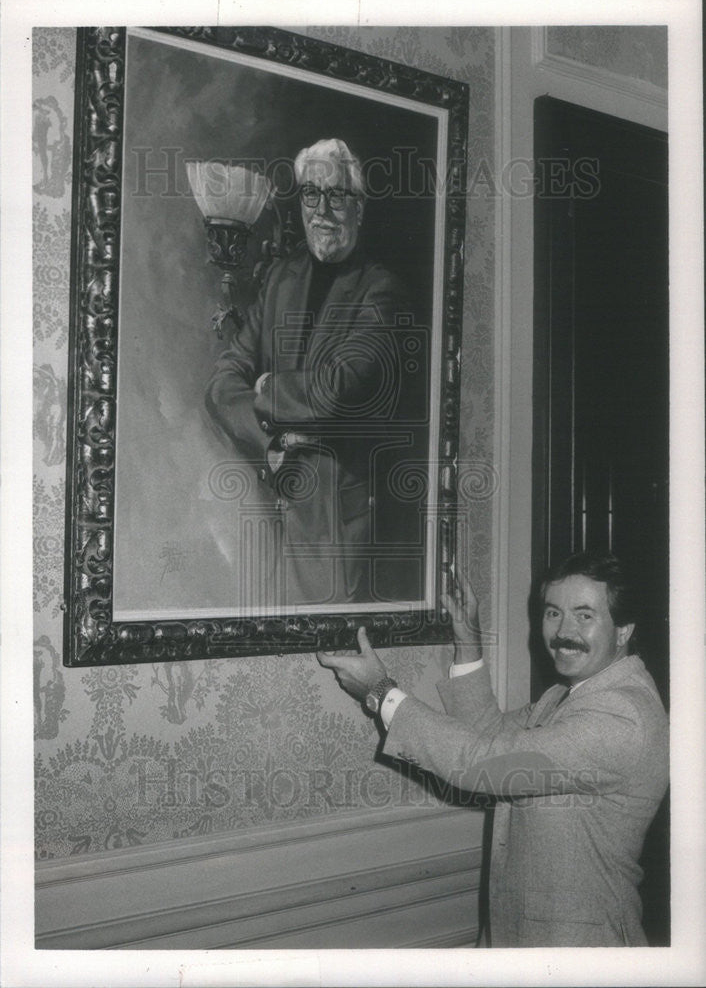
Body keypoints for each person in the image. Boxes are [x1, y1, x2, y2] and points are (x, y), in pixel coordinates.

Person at [317, 551, 669, 947]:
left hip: (579, 948)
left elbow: (481, 764)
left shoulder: (622, 716)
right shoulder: (567, 696)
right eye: (553, 613)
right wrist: (468, 641)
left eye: (584, 616)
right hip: (526, 935)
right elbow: (490, 735)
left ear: (623, 631)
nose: (563, 631)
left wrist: (381, 693)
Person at [206, 138, 423, 606]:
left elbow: (336, 389)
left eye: (337, 195)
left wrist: (264, 390)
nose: (322, 210)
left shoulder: (382, 289)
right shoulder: (281, 278)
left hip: (334, 517)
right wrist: (269, 442)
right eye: (310, 194)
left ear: (359, 208)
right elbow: (223, 382)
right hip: (266, 504)